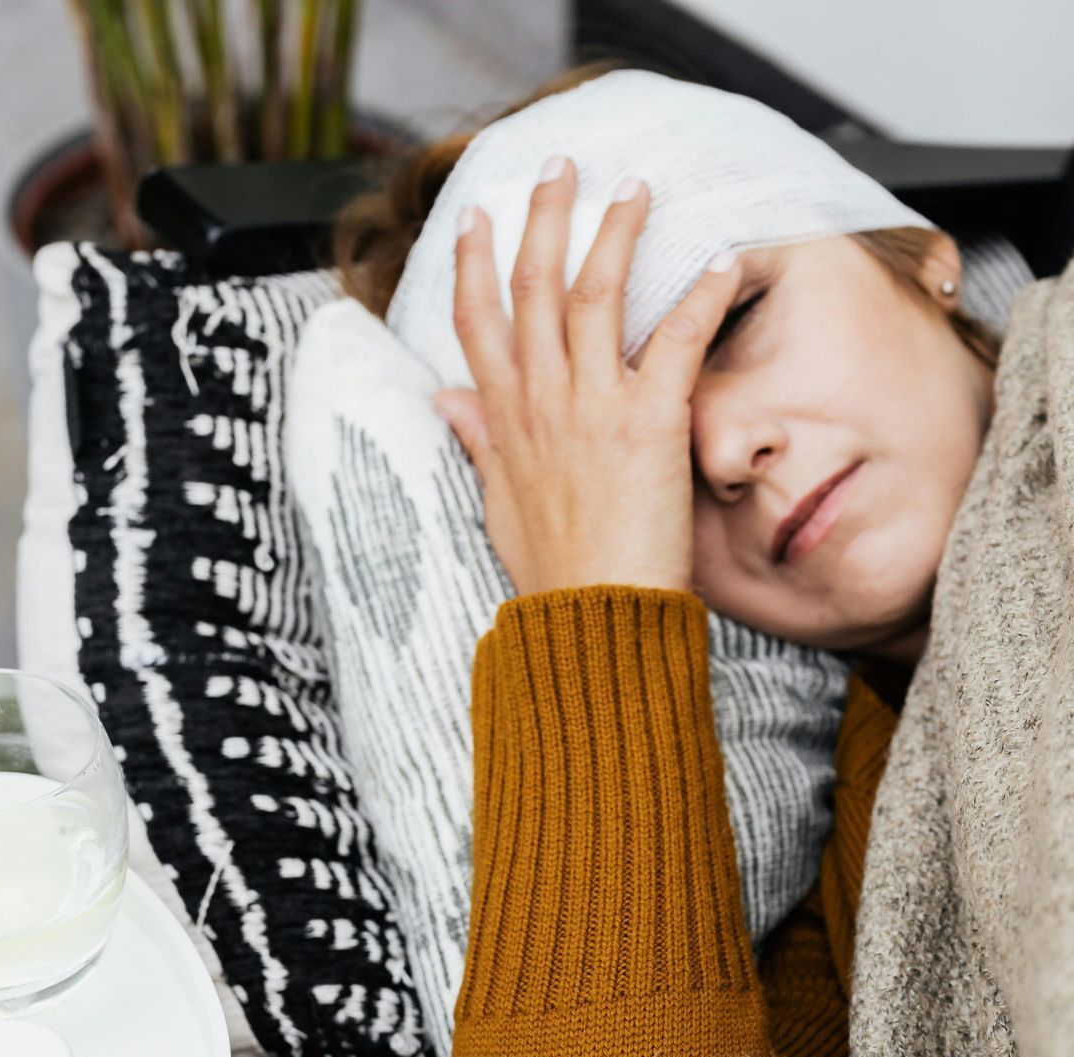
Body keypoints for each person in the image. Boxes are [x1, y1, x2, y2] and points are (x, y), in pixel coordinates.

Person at [330, 63, 1000, 1055]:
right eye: (634, 461)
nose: (726, 452)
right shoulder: (873, 892)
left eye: (735, 318)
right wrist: (593, 606)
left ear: (917, 254)